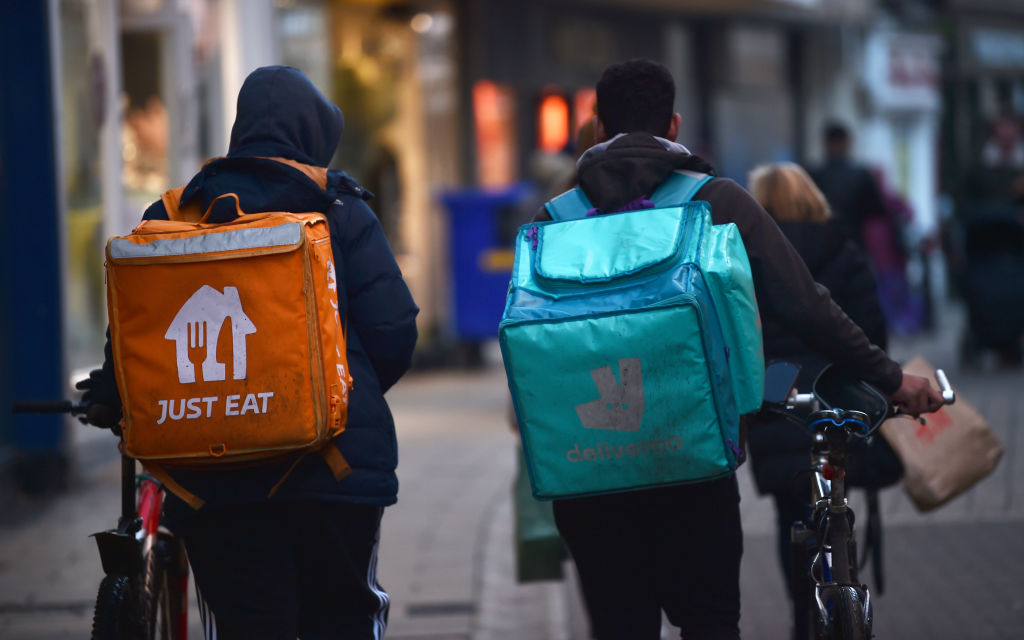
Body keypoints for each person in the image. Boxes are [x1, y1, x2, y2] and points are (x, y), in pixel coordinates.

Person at [532, 59, 943, 640]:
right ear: (673, 126)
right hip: (693, 463)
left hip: (589, 472)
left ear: (598, 129)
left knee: (619, 627)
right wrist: (892, 378)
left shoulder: (553, 220)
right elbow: (806, 304)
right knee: (711, 623)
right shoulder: (718, 204)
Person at [77, 66, 419, 639]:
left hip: (215, 480)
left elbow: (136, 336)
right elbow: (393, 336)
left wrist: (113, 395)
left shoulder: (171, 218)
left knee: (249, 625)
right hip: (334, 472)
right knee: (342, 619)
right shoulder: (339, 211)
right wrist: (327, 396)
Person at [745, 162, 902, 639]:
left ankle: (802, 615)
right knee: (836, 490)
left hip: (777, 388)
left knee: (789, 515)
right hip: (835, 389)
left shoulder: (746, 256)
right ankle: (845, 583)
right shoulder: (842, 247)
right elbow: (872, 327)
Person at [808, 121, 886, 248]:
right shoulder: (861, 175)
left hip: (822, 245)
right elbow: (877, 210)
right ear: (847, 144)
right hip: (853, 242)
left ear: (825, 144)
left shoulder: (814, 176)